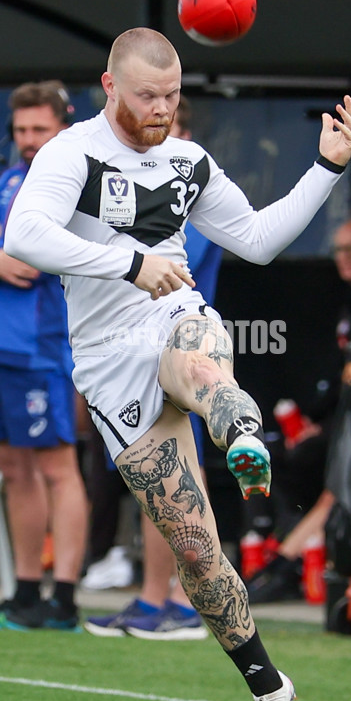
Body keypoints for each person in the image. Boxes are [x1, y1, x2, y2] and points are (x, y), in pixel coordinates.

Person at [4, 27, 351, 701]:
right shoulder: (72, 153)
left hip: (173, 316)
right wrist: (129, 263)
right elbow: (24, 236)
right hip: (107, 358)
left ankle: (240, 432)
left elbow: (257, 239)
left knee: (200, 360)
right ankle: (269, 689)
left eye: (171, 95)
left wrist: (326, 166)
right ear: (110, 86)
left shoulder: (188, 161)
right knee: (195, 550)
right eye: (147, 96)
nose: (162, 109)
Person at [84, 96, 224, 639]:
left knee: (180, 474)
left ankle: (181, 604)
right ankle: (154, 598)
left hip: (178, 349)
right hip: (133, 348)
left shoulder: (191, 192)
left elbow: (175, 273)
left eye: (171, 121)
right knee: (154, 474)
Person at [0, 80, 88, 630]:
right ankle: (26, 591)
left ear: (63, 127)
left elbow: (47, 257)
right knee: (13, 468)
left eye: (40, 128)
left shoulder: (75, 181)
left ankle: (65, 597)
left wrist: (0, 254)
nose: (29, 139)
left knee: (57, 467)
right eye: (20, 129)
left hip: (41, 344)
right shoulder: (10, 179)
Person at [246, 215, 351, 603]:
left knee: (331, 480)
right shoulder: (348, 303)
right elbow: (344, 381)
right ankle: (270, 548)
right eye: (339, 250)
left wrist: (325, 426)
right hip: (342, 423)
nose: (346, 257)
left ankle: (286, 564)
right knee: (269, 453)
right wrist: (315, 422)